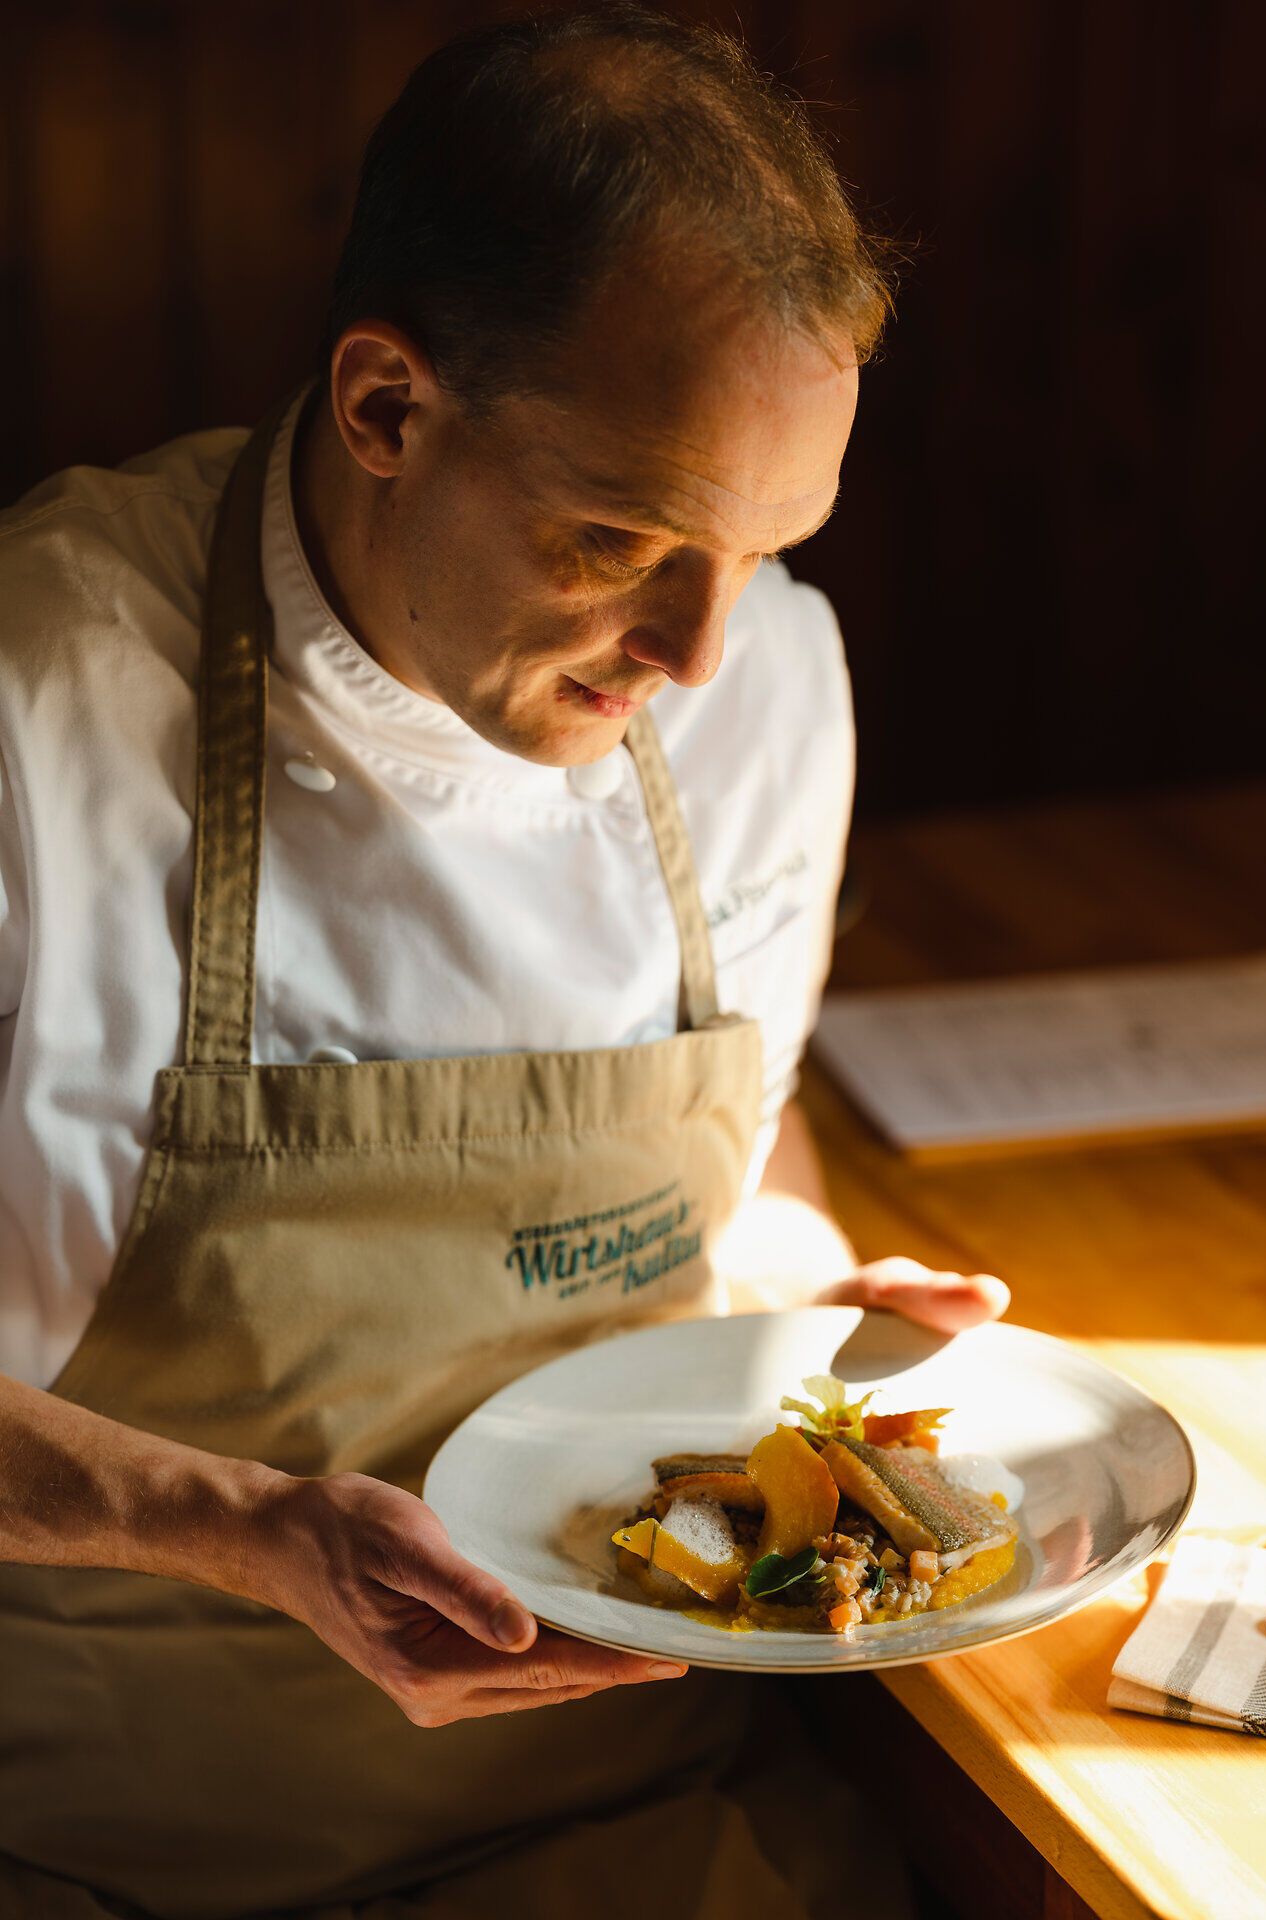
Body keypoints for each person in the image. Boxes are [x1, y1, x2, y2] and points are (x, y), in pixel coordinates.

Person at [0, 9, 1009, 1915]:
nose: (699, 655)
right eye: (623, 535)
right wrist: (237, 1527)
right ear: (388, 405)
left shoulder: (768, 684)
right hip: (107, 1848)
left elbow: (743, 1145)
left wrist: (807, 1305)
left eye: (772, 545)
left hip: (642, 1819)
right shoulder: (33, 711)